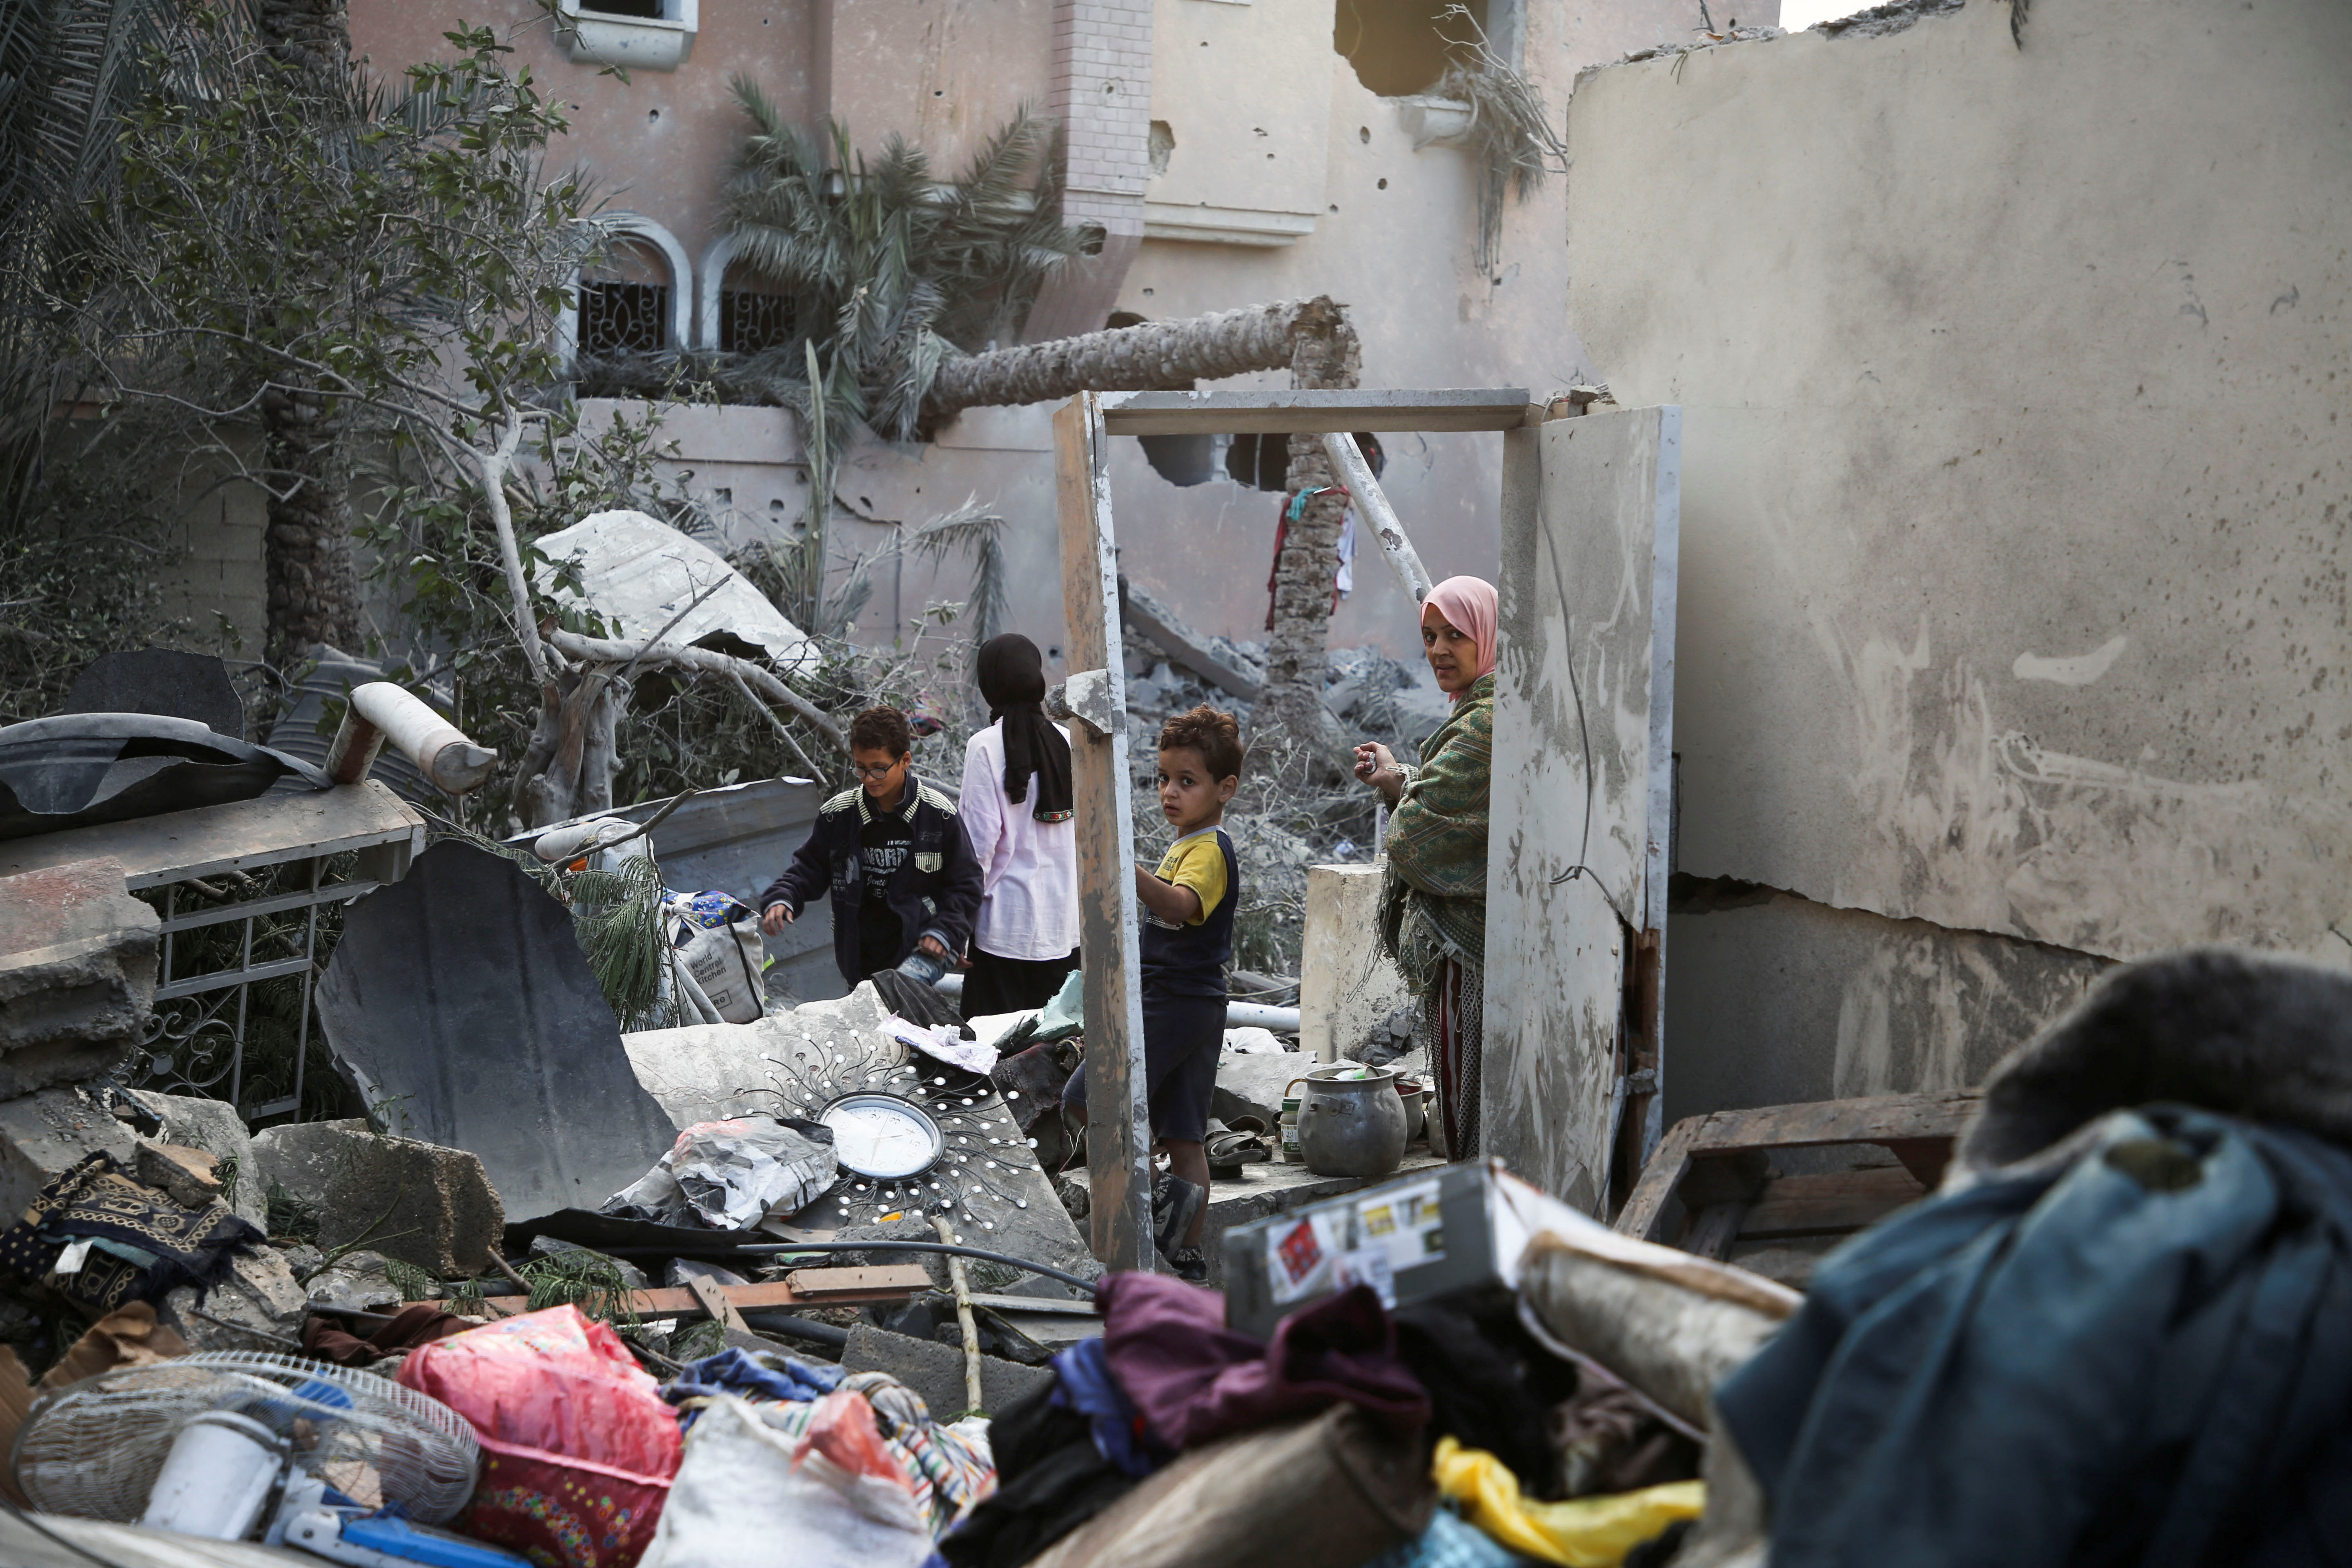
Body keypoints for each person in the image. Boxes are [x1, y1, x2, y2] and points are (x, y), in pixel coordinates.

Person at [1061, 704, 1243, 1282]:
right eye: (1163, 779)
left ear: (1225, 789)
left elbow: (1179, 906)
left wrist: (1121, 863)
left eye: (1186, 782)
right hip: (1194, 1005)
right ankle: (1187, 1256)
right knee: (1185, 1134)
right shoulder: (1185, 844)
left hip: (1177, 1003)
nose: (1170, 792)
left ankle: (1159, 1206)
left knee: (1088, 1097)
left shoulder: (1210, 851)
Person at [1353, 577, 1497, 1161]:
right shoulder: (1475, 714)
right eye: (1430, 636)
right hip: (1477, 948)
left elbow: (1414, 838)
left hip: (1468, 950)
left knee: (1471, 1105)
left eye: (1456, 635)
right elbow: (1444, 810)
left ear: (1488, 638)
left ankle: (1482, 1221)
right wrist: (1400, 782)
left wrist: (1405, 800)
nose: (1439, 649)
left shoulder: (1487, 725)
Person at [758, 706, 982, 990]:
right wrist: (783, 897)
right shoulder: (838, 815)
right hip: (860, 952)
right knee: (872, 1019)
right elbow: (808, 868)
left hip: (924, 944)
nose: (868, 778)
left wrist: (945, 931)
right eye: (860, 768)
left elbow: (967, 884)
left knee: (898, 994)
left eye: (879, 769)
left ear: (905, 761)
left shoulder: (939, 815)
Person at [956, 634, 1080, 1020]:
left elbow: (976, 850)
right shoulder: (1069, 742)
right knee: (1055, 1054)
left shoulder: (985, 747)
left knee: (994, 1056)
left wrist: (956, 928)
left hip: (1003, 931)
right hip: (1064, 929)